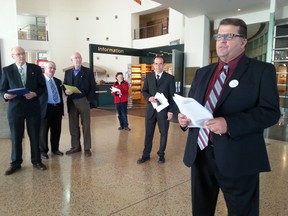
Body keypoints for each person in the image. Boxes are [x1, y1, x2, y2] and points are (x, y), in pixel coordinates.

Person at [177, 18, 280, 216]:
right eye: (219, 36)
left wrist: (229, 123)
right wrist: (185, 119)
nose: (221, 41)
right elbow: (193, 105)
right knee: (201, 209)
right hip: (200, 153)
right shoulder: (203, 72)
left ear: (243, 41)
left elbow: (270, 112)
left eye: (229, 36)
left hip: (238, 155)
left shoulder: (262, 71)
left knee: (242, 210)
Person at [0, 46, 47, 175]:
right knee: (16, 137)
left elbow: (42, 87)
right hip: (15, 108)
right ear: (13, 56)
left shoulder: (35, 69)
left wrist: (35, 94)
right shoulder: (7, 70)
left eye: (23, 54)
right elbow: (2, 89)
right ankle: (15, 163)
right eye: (18, 54)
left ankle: (37, 161)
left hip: (32, 107)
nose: (21, 56)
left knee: (34, 135)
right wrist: (5, 95)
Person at [137, 55, 176, 164]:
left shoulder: (170, 78)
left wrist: (171, 111)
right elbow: (144, 91)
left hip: (164, 111)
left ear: (164, 65)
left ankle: (161, 155)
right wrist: (148, 97)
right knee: (148, 133)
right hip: (151, 110)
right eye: (156, 63)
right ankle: (146, 155)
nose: (158, 66)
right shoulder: (148, 77)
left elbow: (173, 96)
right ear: (153, 65)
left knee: (163, 133)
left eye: (160, 63)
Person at [63, 52, 96, 157]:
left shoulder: (88, 71)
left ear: (81, 59)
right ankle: (75, 147)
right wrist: (65, 91)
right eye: (75, 58)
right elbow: (64, 85)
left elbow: (93, 87)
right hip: (71, 102)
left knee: (86, 125)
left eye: (79, 58)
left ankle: (87, 148)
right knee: (73, 126)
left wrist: (88, 100)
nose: (77, 60)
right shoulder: (67, 72)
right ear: (71, 60)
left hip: (83, 100)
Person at [39, 61, 64, 159]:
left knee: (56, 130)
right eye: (50, 68)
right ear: (45, 68)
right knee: (43, 131)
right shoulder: (40, 80)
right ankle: (43, 151)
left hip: (57, 108)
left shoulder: (58, 81)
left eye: (54, 68)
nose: (52, 70)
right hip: (46, 109)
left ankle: (55, 149)